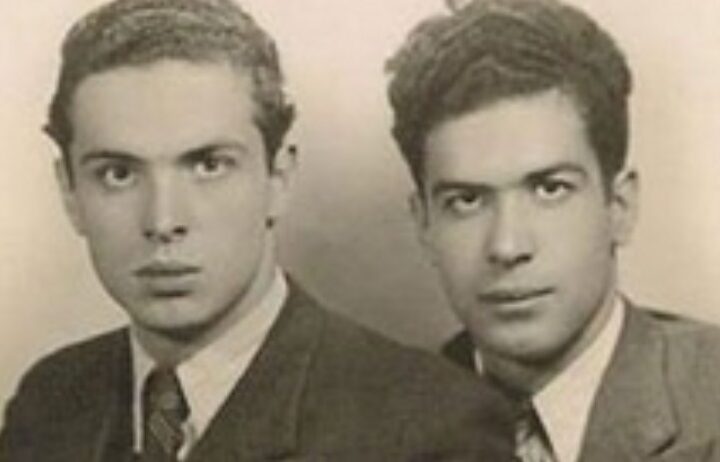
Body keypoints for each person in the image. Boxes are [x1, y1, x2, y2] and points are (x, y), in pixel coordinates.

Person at [0, 0, 515, 460]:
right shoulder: (48, 403)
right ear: (70, 192)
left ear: (278, 178)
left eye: (208, 165)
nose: (162, 221)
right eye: (118, 174)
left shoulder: (432, 430)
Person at [386, 0, 720, 460]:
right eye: (466, 201)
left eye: (550, 189)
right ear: (424, 224)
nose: (507, 246)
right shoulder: (375, 426)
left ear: (619, 207)